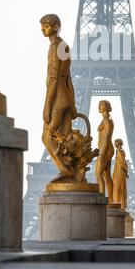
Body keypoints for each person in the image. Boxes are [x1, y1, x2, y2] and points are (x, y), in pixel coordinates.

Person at [41, 14, 77, 181]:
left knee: (47, 137)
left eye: (46, 25)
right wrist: (73, 102)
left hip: (57, 99)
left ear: (55, 26)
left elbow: (53, 78)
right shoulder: (65, 45)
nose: (42, 28)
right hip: (67, 97)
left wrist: (47, 105)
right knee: (66, 137)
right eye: (42, 25)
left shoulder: (54, 46)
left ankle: (64, 170)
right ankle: (72, 171)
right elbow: (68, 76)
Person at [95, 100, 114, 202]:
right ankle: (110, 198)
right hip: (107, 148)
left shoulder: (107, 119)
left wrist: (102, 152)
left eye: (102, 105)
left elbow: (107, 136)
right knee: (106, 175)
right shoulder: (106, 118)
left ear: (107, 106)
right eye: (99, 105)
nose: (99, 106)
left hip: (105, 149)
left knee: (98, 174)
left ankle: (102, 197)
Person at [113, 139, 129, 211]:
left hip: (119, 171)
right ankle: (120, 204)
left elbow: (122, 161)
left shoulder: (119, 151)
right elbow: (124, 162)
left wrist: (125, 171)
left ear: (118, 143)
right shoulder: (118, 151)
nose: (114, 144)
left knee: (119, 187)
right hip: (119, 170)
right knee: (120, 188)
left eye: (115, 142)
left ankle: (119, 204)